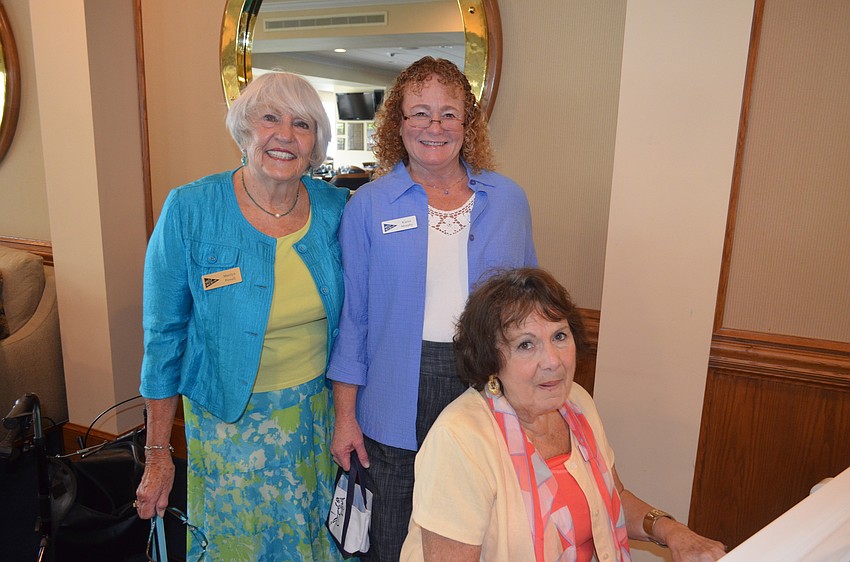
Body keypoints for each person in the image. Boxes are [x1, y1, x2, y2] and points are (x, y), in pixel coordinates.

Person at [327, 56, 537, 560]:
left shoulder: (507, 200)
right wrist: (345, 417)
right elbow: (352, 321)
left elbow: (530, 311)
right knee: (395, 530)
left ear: (468, 124)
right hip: (395, 389)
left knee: (480, 523)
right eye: (420, 112)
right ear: (398, 124)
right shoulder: (369, 206)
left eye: (449, 113)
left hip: (486, 380)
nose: (434, 126)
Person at [135, 72, 349, 561]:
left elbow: (360, 321)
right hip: (226, 420)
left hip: (315, 420)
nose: (285, 135)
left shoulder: (338, 209)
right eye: (269, 118)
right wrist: (158, 453)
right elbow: (163, 337)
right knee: (240, 547)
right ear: (244, 129)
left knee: (316, 543)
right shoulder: (191, 208)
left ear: (315, 144)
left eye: (303, 124)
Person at [400, 268, 728, 562]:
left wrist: (672, 531)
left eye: (559, 336)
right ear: (490, 361)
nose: (554, 361)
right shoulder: (460, 440)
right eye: (526, 345)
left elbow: (613, 499)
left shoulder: (577, 405)